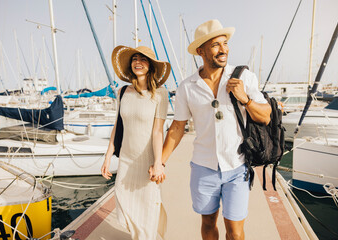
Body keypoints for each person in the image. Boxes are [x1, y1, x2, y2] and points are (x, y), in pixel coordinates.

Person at [156, 19, 271, 240]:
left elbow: (265, 116)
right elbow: (177, 127)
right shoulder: (187, 87)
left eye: (225, 43)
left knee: (235, 233)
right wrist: (160, 162)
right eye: (216, 45)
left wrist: (245, 99)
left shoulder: (243, 77)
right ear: (201, 51)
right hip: (203, 167)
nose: (223, 49)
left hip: (237, 166)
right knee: (208, 223)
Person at [101, 45, 171, 240]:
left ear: (151, 66)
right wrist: (107, 157)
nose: (138, 62)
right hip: (126, 159)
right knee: (125, 203)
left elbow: (158, 132)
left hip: (146, 159)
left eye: (143, 59)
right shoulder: (123, 91)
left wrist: (158, 163)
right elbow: (117, 125)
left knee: (147, 206)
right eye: (134, 59)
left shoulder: (160, 94)